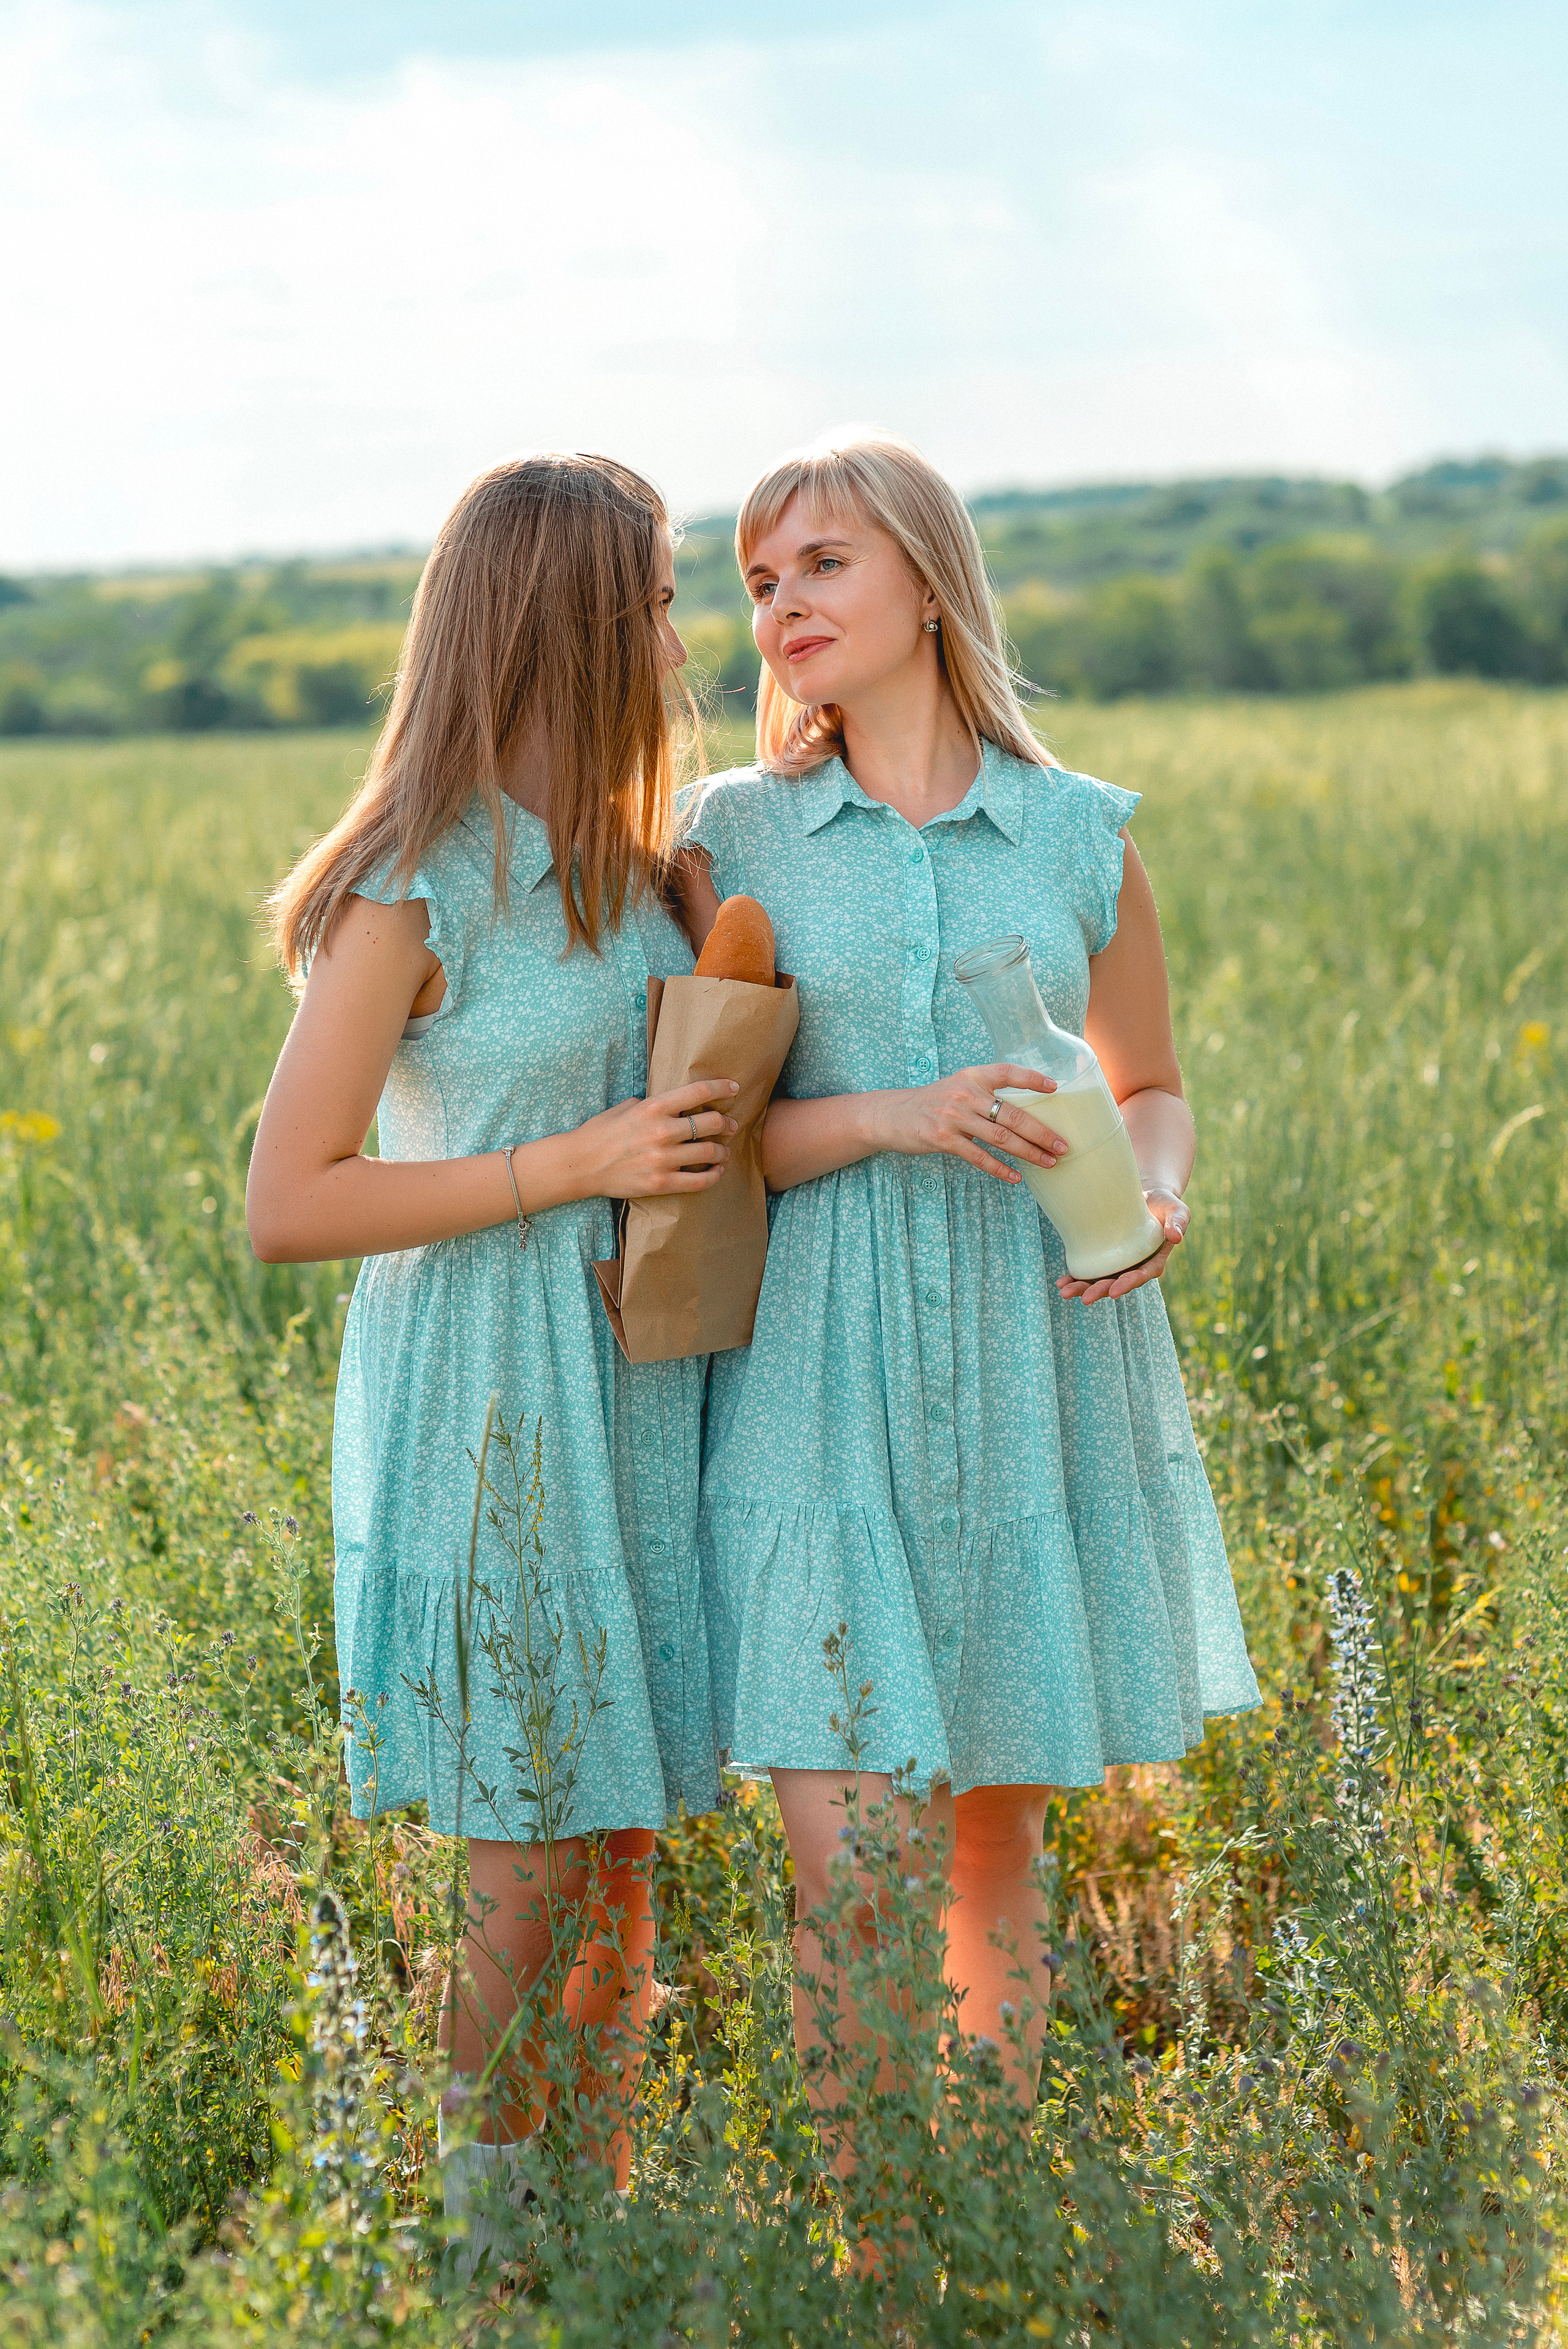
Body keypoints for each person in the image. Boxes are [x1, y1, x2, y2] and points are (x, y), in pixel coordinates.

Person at [683, 430, 1259, 2162]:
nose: (782, 604)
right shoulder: (733, 836)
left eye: (823, 565)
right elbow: (704, 1147)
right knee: (855, 1863)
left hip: (1037, 1347)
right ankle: (877, 2246)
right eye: (761, 580)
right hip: (815, 1373)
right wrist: (896, 1116)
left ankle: (982, 2233)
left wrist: (1156, 1190)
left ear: (928, 580)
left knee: (997, 1844)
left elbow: (1145, 1078)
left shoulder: (1079, 834)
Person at [246, 453, 736, 2232]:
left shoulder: (636, 863)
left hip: (635, 1386)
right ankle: (486, 2251)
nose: (685, 638)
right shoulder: (412, 880)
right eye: (665, 598)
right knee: (526, 1858)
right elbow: (288, 1198)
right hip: (485, 1401)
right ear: (576, 618)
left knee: (620, 1852)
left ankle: (585, 2229)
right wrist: (568, 1165)